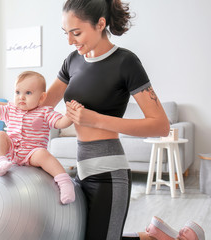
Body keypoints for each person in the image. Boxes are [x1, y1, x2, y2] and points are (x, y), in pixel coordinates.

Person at [44, 0, 204, 239]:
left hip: (109, 173)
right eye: (66, 33)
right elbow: (42, 104)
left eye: (76, 33)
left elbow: (160, 125)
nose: (70, 41)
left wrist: (96, 119)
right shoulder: (72, 61)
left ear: (100, 24)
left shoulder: (125, 62)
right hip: (82, 169)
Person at [0, 71, 75, 205]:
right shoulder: (10, 109)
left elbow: (61, 123)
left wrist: (70, 115)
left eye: (28, 93)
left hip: (32, 154)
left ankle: (64, 182)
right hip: (12, 152)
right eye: (17, 92)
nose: (21, 97)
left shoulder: (45, 112)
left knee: (43, 154)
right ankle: (0, 161)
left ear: (41, 97)